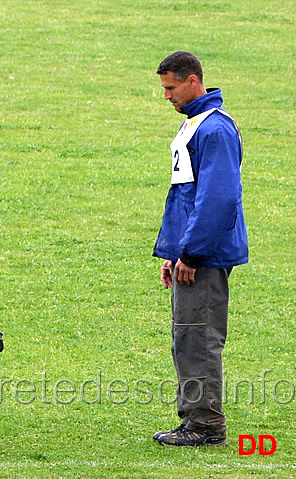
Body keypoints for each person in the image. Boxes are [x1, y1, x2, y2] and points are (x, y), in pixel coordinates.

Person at [152, 51, 248, 446]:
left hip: (204, 257)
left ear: (193, 81)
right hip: (191, 254)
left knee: (199, 336)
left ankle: (206, 427)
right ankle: (195, 420)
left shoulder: (214, 130)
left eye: (171, 88)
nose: (166, 96)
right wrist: (173, 253)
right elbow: (186, 196)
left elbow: (218, 199)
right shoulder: (197, 125)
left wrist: (191, 254)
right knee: (187, 336)